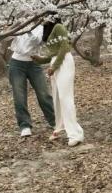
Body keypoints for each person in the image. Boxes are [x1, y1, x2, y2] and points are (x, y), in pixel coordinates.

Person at [32, 16, 84, 147]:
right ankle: (60, 127)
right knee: (57, 98)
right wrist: (41, 59)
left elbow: (64, 48)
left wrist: (54, 67)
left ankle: (75, 134)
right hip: (56, 62)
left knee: (65, 97)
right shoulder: (49, 30)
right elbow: (54, 53)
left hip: (64, 63)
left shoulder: (59, 27)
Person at [8, 24, 55, 137]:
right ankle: (24, 125)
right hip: (16, 63)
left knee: (43, 93)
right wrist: (12, 29)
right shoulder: (20, 24)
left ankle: (54, 121)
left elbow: (35, 40)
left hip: (34, 63)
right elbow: (7, 37)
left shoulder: (40, 27)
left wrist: (26, 30)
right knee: (19, 96)